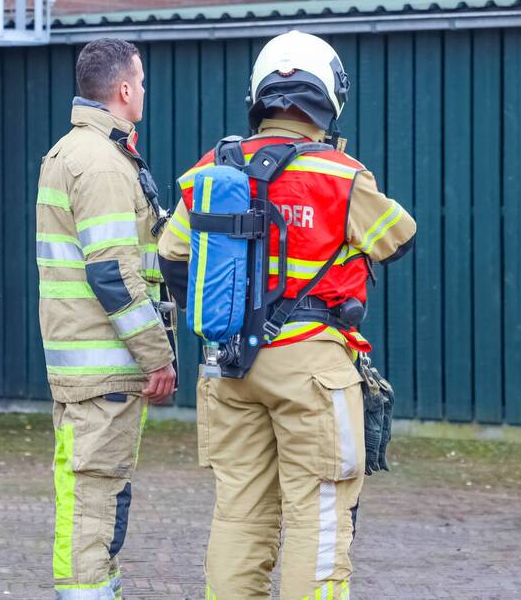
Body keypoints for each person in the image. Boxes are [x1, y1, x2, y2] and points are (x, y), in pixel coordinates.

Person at [157, 30, 416, 599]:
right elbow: (398, 237)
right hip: (312, 370)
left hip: (228, 367)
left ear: (260, 94)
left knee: (240, 513)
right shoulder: (340, 174)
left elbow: (172, 253)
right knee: (318, 518)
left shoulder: (212, 166)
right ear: (329, 95)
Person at [36, 38, 176, 599]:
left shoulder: (68, 153)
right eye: (139, 82)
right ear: (123, 90)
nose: (142, 91)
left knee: (84, 492)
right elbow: (113, 275)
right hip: (107, 372)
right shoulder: (101, 164)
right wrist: (158, 357)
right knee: (96, 498)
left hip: (81, 367)